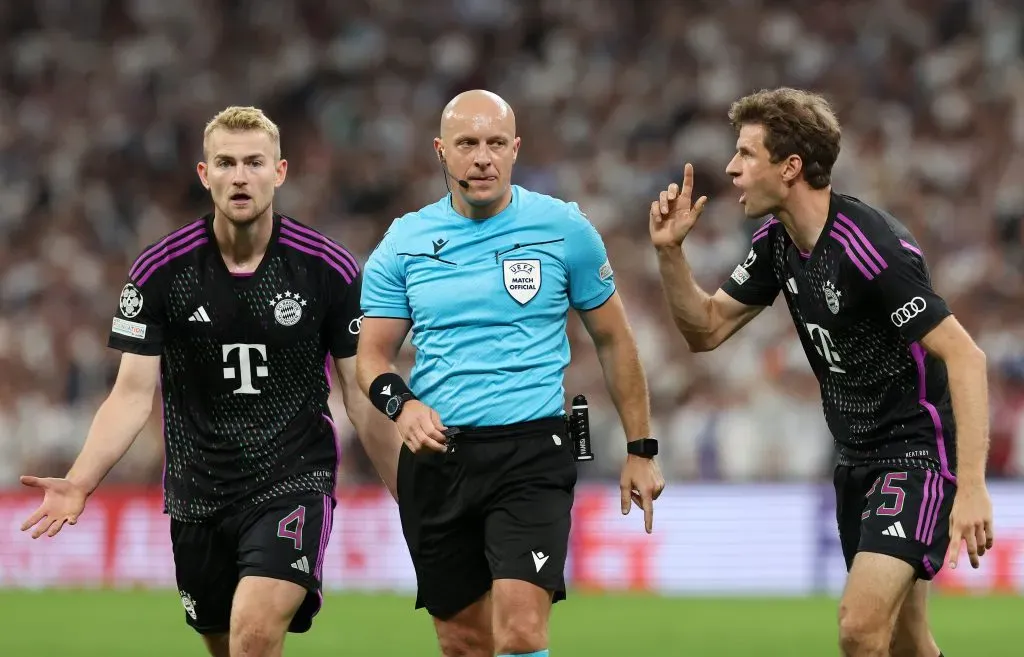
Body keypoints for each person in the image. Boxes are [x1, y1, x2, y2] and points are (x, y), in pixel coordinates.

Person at [18, 106, 401, 657]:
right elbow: (129, 396)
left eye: (253, 162)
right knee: (226, 647)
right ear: (205, 174)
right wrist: (79, 482)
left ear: (280, 171)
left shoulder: (327, 268)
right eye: (225, 162)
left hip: (292, 481)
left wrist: (408, 500)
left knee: (252, 634)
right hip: (197, 495)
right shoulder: (160, 271)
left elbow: (361, 398)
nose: (240, 176)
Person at [649, 87, 994, 657]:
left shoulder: (869, 247)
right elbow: (705, 330)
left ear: (789, 167)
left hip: (915, 457)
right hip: (855, 461)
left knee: (859, 630)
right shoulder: (776, 243)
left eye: (746, 154)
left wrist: (974, 487)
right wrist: (669, 255)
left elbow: (964, 355)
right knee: (908, 643)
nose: (731, 169)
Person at [356, 89, 664, 657]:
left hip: (531, 453)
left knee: (521, 632)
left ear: (515, 149)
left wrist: (641, 447)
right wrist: (403, 404)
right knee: (464, 642)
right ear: (441, 153)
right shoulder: (403, 242)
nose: (482, 158)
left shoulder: (563, 229)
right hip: (437, 458)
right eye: (467, 144)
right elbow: (372, 357)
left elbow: (614, 339)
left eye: (495, 143)